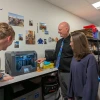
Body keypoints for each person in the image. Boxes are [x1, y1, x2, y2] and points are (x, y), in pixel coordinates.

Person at [37, 22, 73, 100]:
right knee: (64, 93)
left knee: (71, 93)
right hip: (59, 71)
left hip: (69, 72)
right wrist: (45, 58)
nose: (58, 31)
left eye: (60, 29)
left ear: (66, 29)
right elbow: (56, 55)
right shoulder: (59, 42)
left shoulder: (72, 41)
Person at [68, 32, 99, 100]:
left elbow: (91, 84)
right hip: (76, 96)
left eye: (71, 42)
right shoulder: (74, 57)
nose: (70, 44)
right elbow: (71, 77)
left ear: (77, 43)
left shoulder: (90, 58)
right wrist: (70, 95)